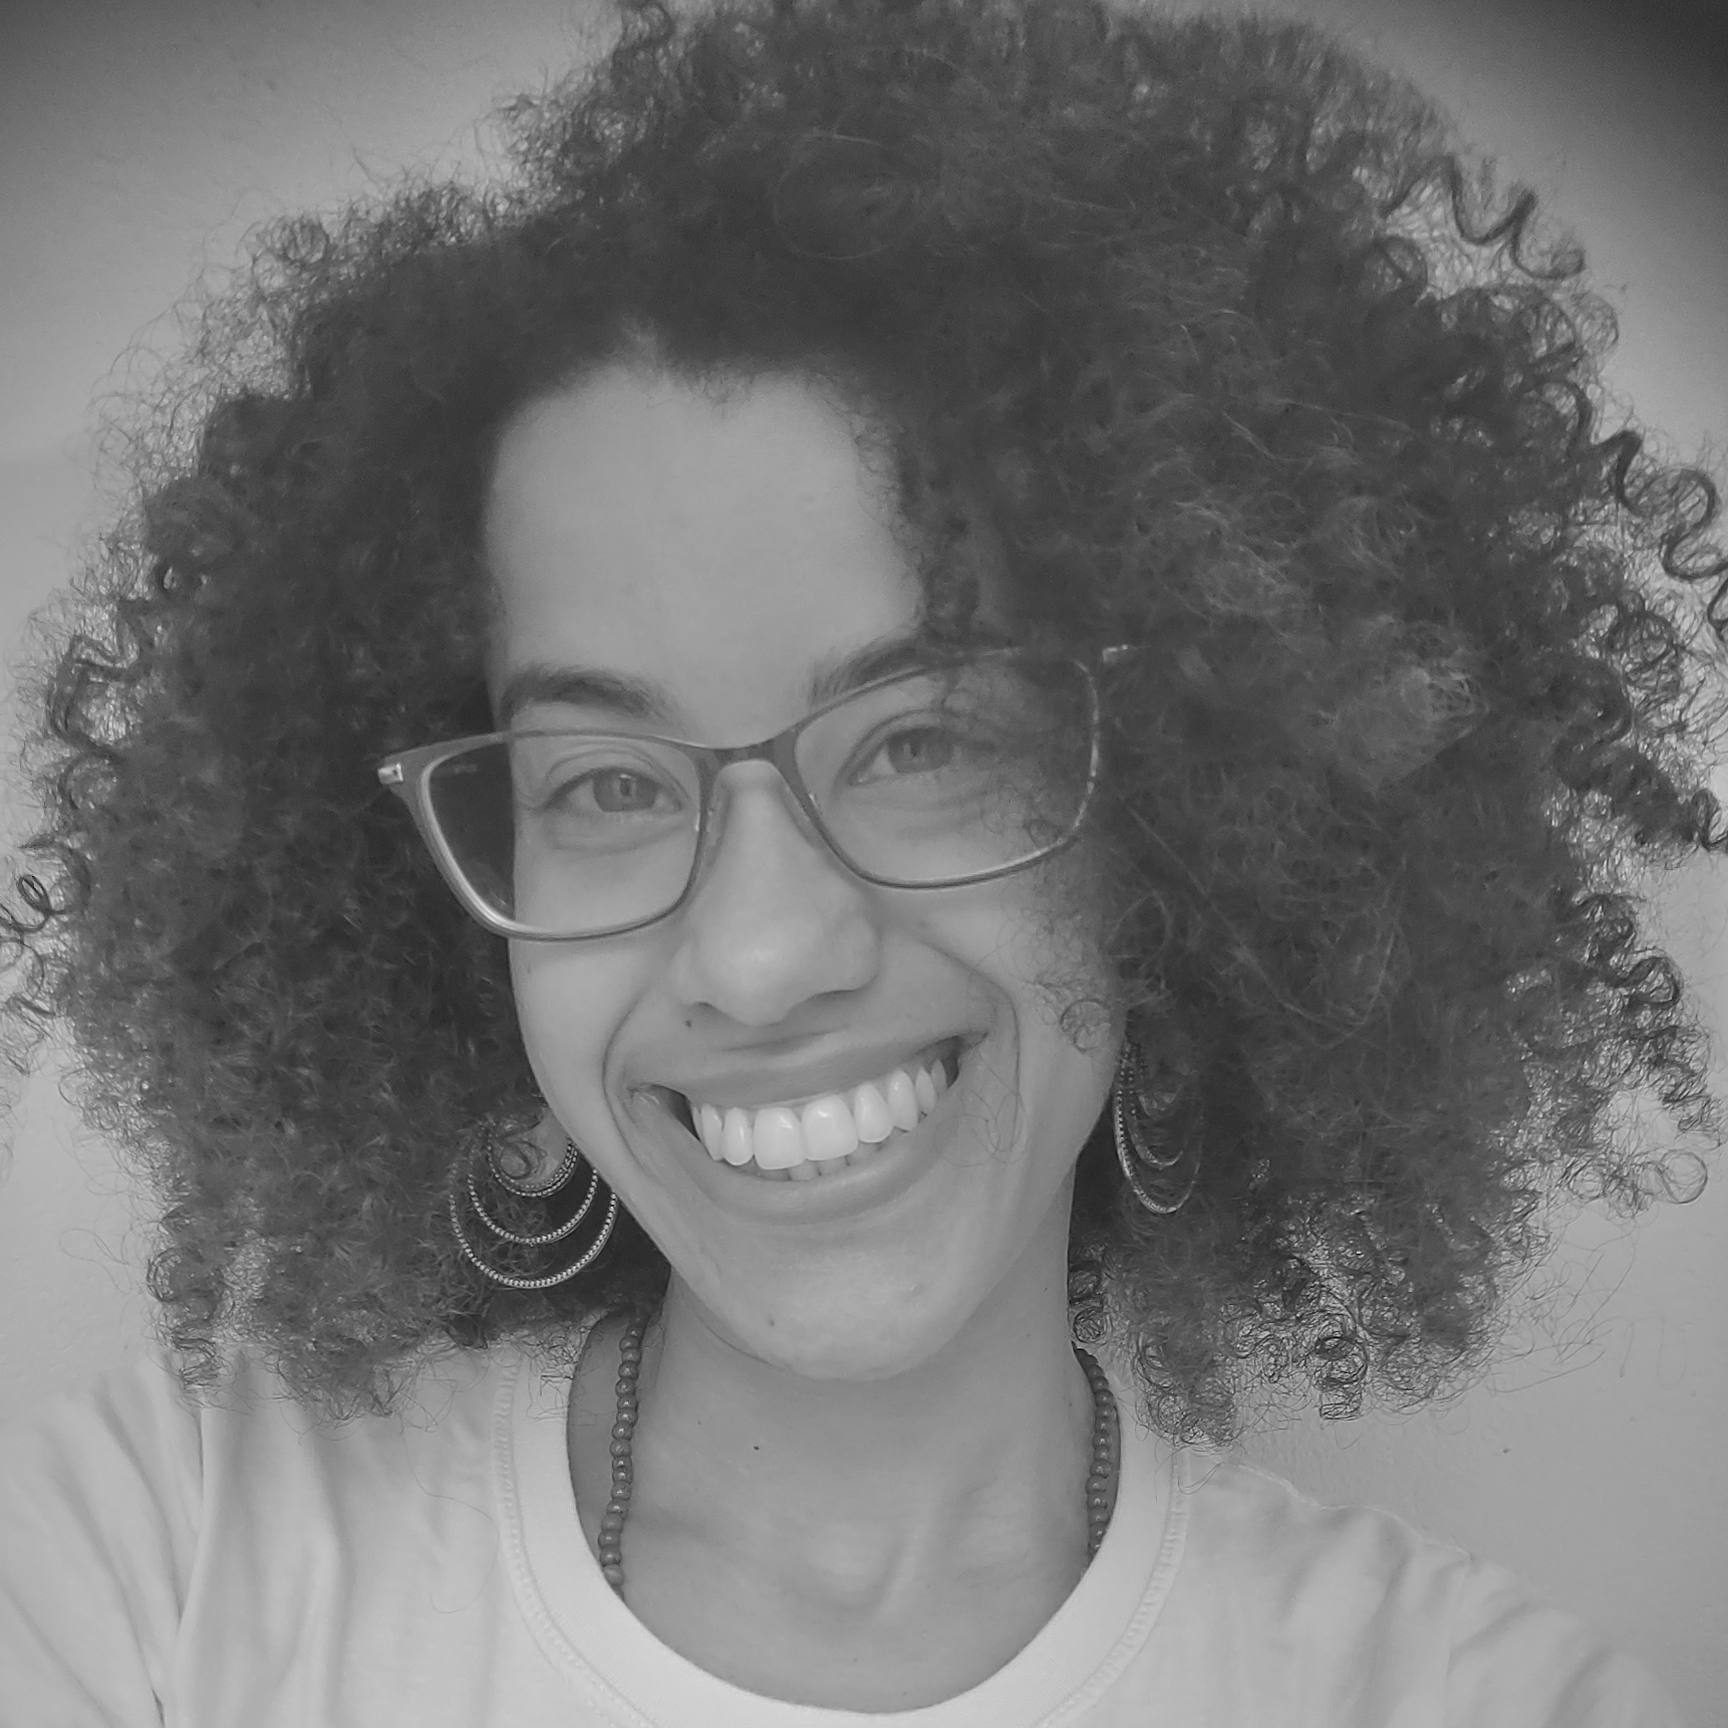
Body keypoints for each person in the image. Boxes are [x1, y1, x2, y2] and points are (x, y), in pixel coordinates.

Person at [1, 0, 1722, 1719]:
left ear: (1189, 833)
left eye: (923, 743)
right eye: (605, 782)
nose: (760, 957)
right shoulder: (158, 1558)